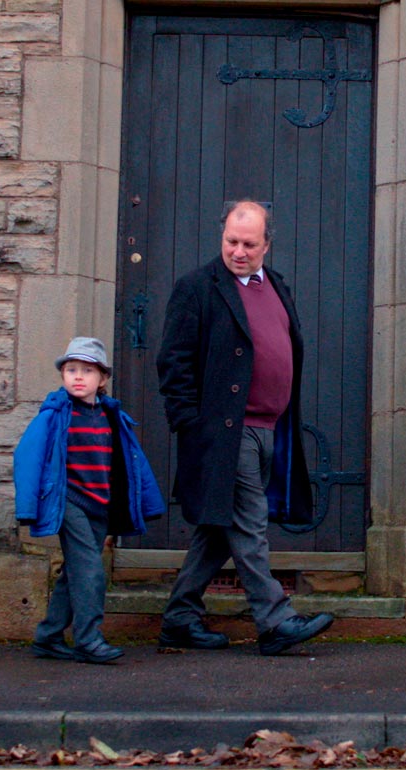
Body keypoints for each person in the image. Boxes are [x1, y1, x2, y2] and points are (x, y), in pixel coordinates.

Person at [155, 200, 334, 656]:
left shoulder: (276, 285)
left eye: (248, 244)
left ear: (266, 245)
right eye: (231, 241)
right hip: (225, 432)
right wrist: (191, 426)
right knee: (249, 523)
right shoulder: (197, 287)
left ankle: (178, 619)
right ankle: (275, 621)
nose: (237, 251)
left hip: (270, 428)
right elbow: (173, 362)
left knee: (219, 528)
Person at [12, 337, 166, 664]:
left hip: (100, 504)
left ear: (103, 379)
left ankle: (49, 636)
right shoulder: (55, 414)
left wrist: (145, 501)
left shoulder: (112, 416)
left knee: (76, 573)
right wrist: (28, 506)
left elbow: (131, 463)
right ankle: (88, 639)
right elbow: (27, 457)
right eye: (71, 370)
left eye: (86, 370)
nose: (77, 377)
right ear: (62, 376)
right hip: (69, 500)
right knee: (91, 571)